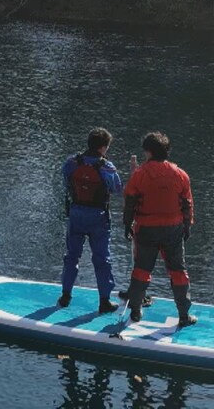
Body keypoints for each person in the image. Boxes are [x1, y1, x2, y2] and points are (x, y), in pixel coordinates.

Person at [120, 131, 197, 326]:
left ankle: (136, 311)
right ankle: (184, 315)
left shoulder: (140, 174)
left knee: (141, 270)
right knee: (178, 271)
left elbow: (130, 200)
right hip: (173, 229)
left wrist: (127, 224)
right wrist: (187, 226)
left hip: (146, 229)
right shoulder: (181, 175)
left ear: (148, 152)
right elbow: (187, 203)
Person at [58, 128, 124, 313]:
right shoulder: (107, 167)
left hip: (76, 213)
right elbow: (117, 189)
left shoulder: (71, 163)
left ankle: (65, 295)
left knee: (72, 256)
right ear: (103, 147)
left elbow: (66, 182)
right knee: (102, 258)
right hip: (98, 217)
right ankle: (104, 301)